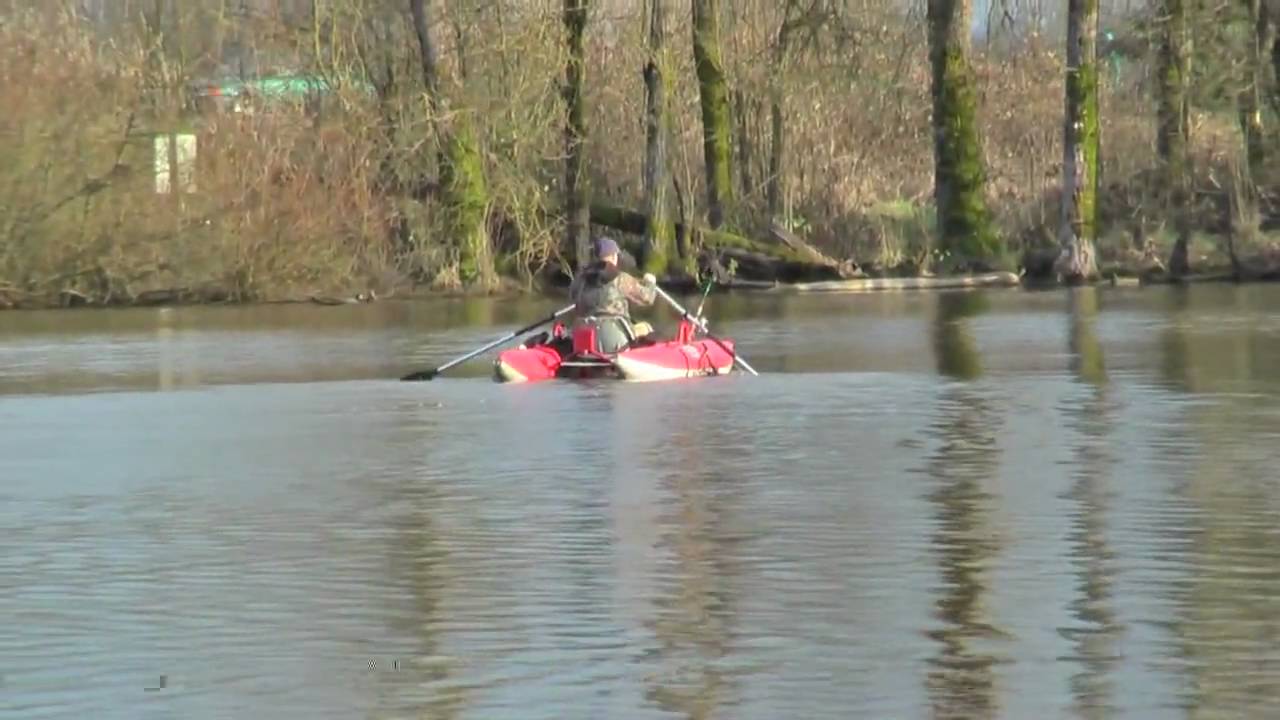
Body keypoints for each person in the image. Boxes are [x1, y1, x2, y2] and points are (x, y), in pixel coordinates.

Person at [568, 236, 658, 353]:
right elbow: (648, 298)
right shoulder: (620, 278)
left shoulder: (580, 279)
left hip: (584, 342)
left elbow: (572, 296)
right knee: (646, 327)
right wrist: (650, 282)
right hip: (615, 340)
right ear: (613, 256)